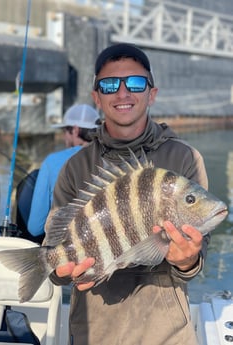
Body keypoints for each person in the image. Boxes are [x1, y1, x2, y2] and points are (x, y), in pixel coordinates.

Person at [46, 43, 209, 345]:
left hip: (166, 335)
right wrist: (61, 270)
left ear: (152, 93)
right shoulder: (75, 167)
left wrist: (187, 260)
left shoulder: (184, 158)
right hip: (94, 333)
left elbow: (199, 250)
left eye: (135, 83)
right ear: (97, 98)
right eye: (109, 85)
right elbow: (55, 250)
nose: (123, 93)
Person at [27, 103, 100, 238]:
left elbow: (35, 227)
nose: (64, 137)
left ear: (75, 130)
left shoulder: (52, 162)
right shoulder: (112, 158)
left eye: (65, 132)